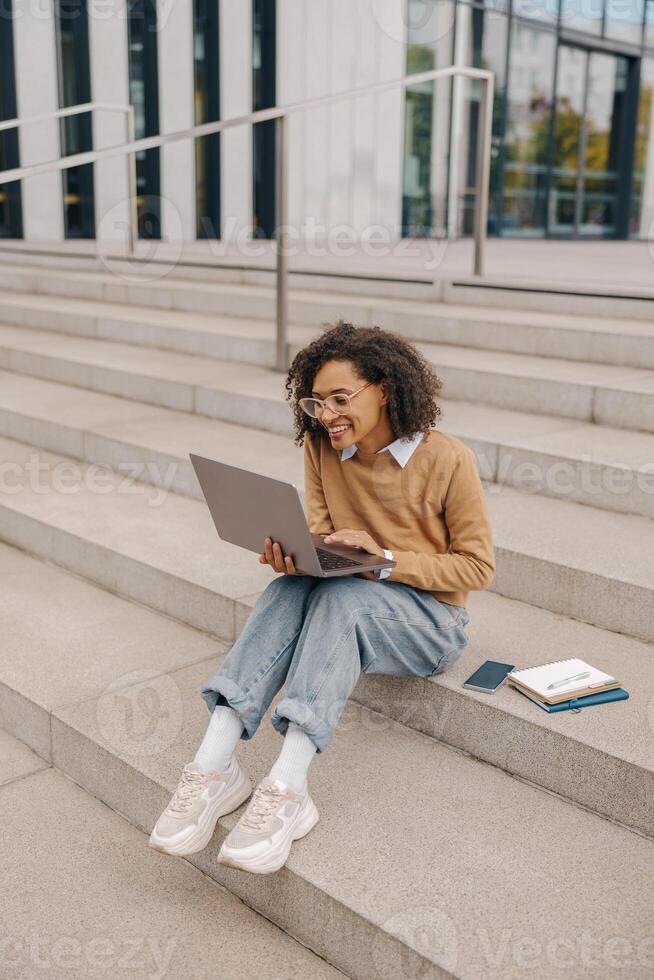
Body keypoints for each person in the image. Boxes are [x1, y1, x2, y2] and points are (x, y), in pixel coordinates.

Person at [149, 320, 495, 874]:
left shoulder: (448, 458)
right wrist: (297, 553)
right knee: (291, 584)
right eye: (316, 402)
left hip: (432, 623)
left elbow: (476, 567)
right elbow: (322, 536)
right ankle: (213, 767)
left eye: (341, 398)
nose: (327, 415)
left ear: (384, 388)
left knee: (342, 602)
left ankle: (288, 788)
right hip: (352, 596)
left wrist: (381, 559)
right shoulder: (321, 447)